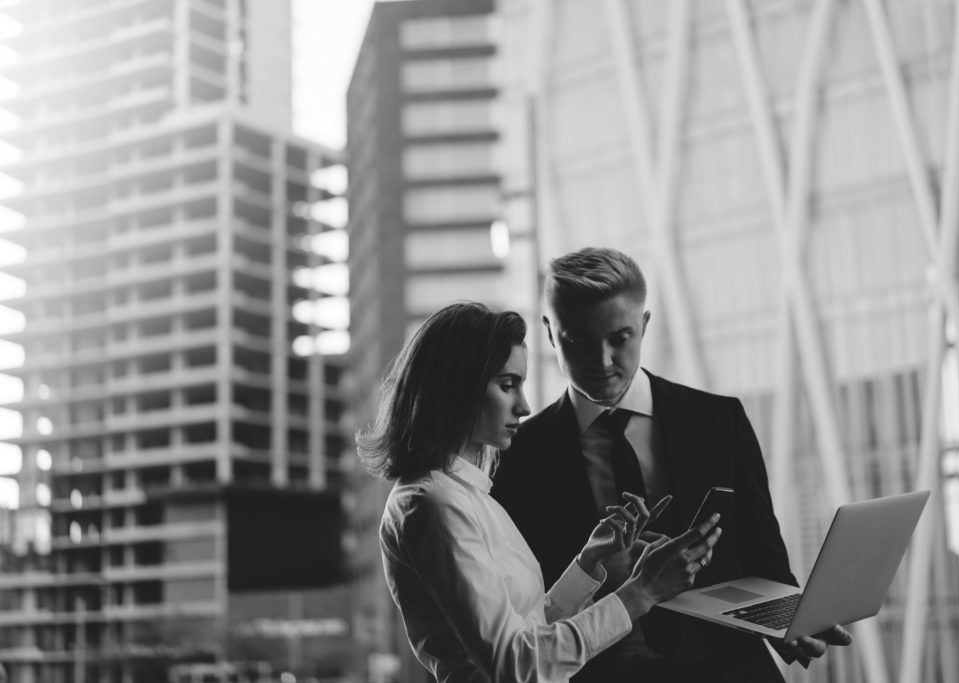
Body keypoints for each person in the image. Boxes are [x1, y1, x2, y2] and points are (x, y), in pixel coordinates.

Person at [492, 247, 852, 682]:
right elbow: (526, 606)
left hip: (729, 670)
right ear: (550, 333)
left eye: (619, 338)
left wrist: (787, 621)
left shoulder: (719, 421)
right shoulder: (515, 456)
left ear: (644, 325)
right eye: (579, 342)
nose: (603, 362)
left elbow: (764, 556)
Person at [358, 302, 722, 683]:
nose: (524, 406)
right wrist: (641, 592)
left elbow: (528, 632)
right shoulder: (434, 505)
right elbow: (518, 666)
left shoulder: (468, 497)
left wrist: (587, 563)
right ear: (458, 387)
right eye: (507, 384)